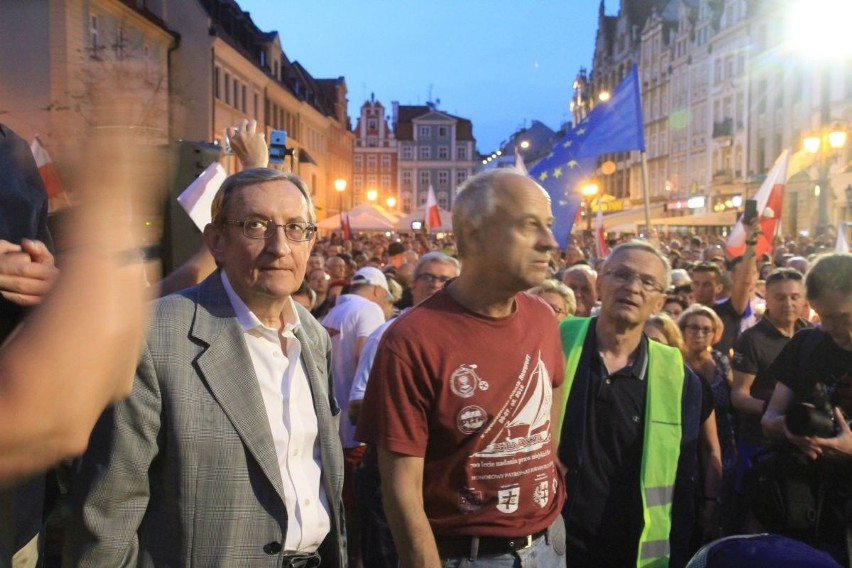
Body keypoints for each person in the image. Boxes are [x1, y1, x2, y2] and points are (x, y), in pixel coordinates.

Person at [64, 168, 345, 567]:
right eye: (256, 226)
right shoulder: (155, 334)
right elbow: (107, 513)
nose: (280, 246)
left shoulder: (313, 337)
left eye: (297, 228)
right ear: (216, 240)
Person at [357, 169, 567, 567]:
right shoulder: (411, 339)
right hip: (466, 557)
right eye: (529, 226)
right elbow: (401, 494)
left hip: (549, 543)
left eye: (549, 226)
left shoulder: (541, 316)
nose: (550, 242)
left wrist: (546, 457)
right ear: (473, 232)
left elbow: (554, 383)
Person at [556, 240, 703, 568]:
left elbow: (684, 477)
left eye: (647, 282)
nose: (632, 288)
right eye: (620, 275)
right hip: (553, 541)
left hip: (633, 548)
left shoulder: (679, 377)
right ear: (598, 284)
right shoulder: (555, 342)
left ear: (660, 301)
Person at [348, 252, 460, 568]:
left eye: (446, 279)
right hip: (393, 472)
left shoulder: (466, 336)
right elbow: (356, 409)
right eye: (428, 277)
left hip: (443, 480)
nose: (437, 285)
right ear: (413, 285)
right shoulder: (388, 334)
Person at [760, 254, 852, 564]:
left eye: (839, 316)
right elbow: (770, 416)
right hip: (802, 505)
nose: (826, 327)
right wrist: (791, 431)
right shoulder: (805, 344)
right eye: (820, 315)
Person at [321, 265, 392, 567]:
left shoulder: (332, 312)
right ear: (378, 291)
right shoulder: (370, 311)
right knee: (366, 521)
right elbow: (369, 362)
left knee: (347, 515)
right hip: (356, 433)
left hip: (332, 428)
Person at [730, 268, 810, 511]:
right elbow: (739, 396)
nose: (788, 303)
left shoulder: (811, 335)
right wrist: (773, 412)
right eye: (780, 297)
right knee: (757, 511)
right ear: (767, 298)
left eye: (794, 296)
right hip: (760, 443)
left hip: (802, 443)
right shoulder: (752, 339)